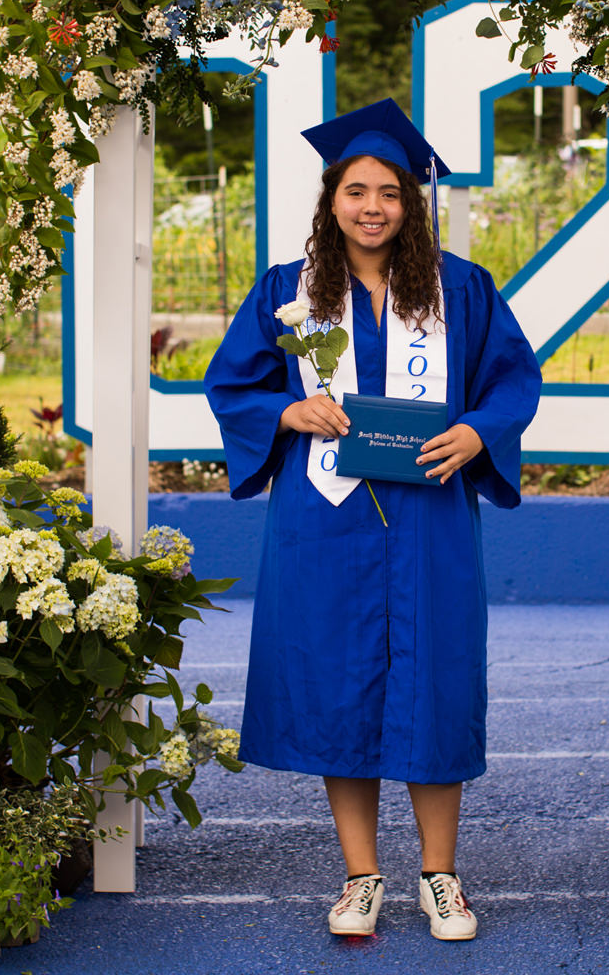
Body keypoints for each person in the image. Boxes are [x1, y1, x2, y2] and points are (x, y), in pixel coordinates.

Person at [203, 99, 542, 942]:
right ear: (332, 199)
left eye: (389, 192)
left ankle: (440, 876)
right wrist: (289, 414)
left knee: (435, 686)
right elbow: (233, 385)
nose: (372, 207)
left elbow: (512, 380)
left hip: (428, 520)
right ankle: (360, 877)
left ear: (410, 201)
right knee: (337, 692)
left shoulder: (460, 288)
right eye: (356, 190)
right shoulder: (289, 291)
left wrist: (477, 431)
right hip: (324, 521)